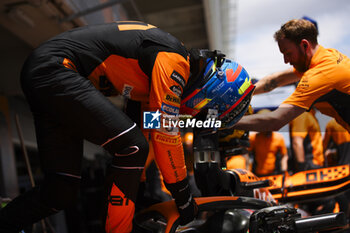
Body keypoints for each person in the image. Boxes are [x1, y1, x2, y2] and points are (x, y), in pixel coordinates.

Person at [0, 21, 255, 233]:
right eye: (209, 110)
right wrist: (183, 195)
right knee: (131, 147)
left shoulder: (158, 77)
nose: (198, 114)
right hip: (55, 69)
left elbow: (146, 125)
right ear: (215, 92)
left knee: (60, 191)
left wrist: (142, 187)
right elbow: (165, 133)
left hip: (50, 77)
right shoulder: (175, 61)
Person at [234, 19, 350, 134]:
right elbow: (278, 79)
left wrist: (221, 123)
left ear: (305, 45)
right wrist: (240, 95)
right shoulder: (328, 56)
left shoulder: (320, 75)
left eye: (288, 53)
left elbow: (275, 121)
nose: (286, 60)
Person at [248, 109, 288, 176]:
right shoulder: (254, 138)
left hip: (274, 174)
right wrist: (248, 170)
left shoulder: (278, 138)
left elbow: (284, 155)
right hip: (257, 174)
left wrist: (284, 170)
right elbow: (246, 154)